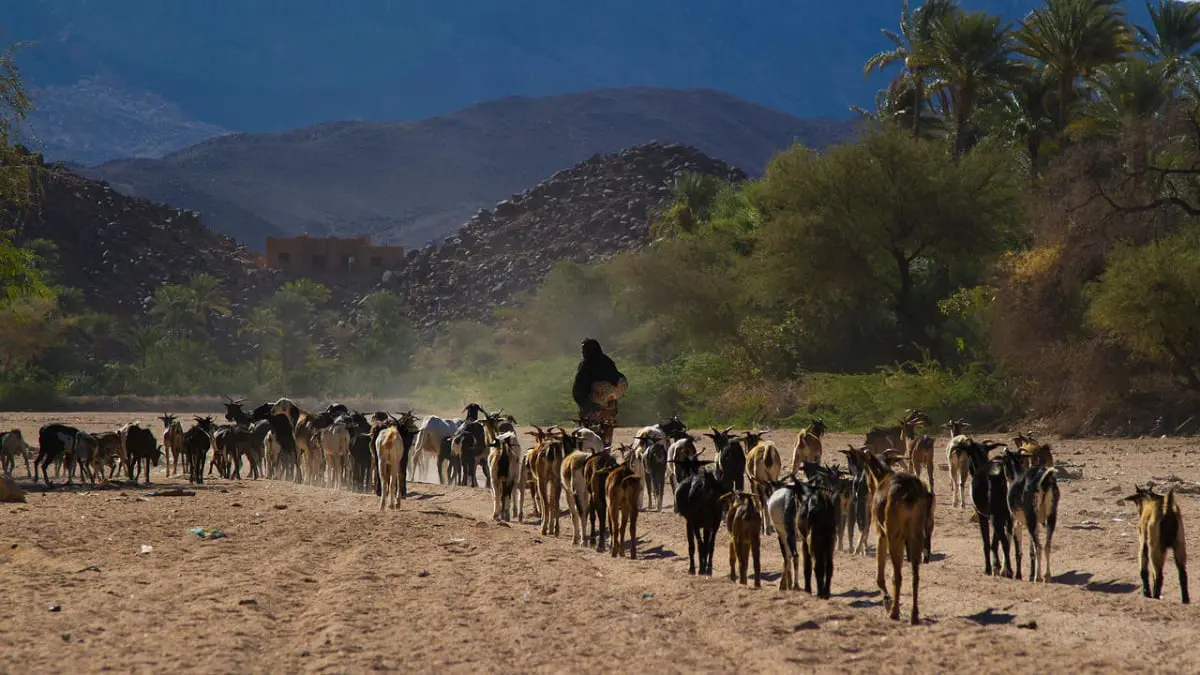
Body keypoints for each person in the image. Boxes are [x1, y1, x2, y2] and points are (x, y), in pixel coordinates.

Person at [571, 338, 627, 442]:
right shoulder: (607, 361)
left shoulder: (586, 364)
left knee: (589, 437)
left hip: (592, 408)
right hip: (608, 407)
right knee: (606, 436)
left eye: (584, 350)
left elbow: (579, 388)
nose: (582, 353)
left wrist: (587, 406)